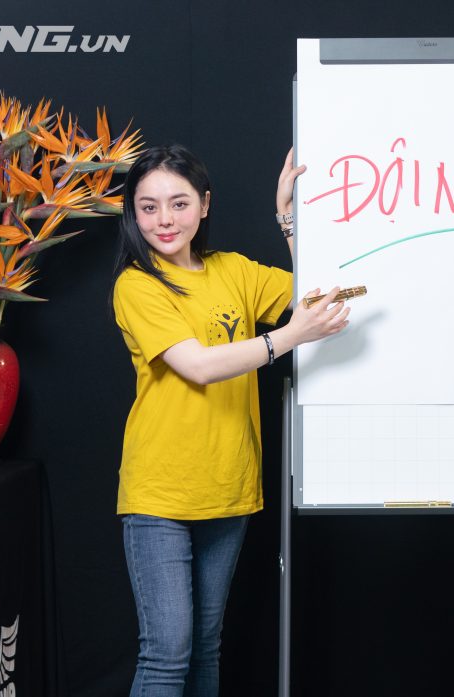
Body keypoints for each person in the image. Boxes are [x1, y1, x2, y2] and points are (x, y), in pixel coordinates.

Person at [111, 144, 346, 696]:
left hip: (229, 487)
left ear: (205, 205)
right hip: (161, 493)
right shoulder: (137, 284)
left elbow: (318, 293)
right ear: (133, 213)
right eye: (148, 207)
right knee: (167, 654)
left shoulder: (233, 271)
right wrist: (287, 338)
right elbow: (197, 365)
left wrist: (287, 216)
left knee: (205, 648)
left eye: (178, 203)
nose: (164, 220)